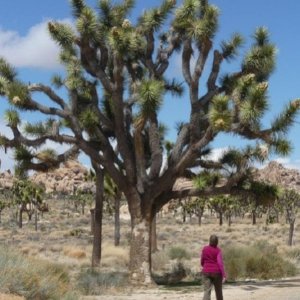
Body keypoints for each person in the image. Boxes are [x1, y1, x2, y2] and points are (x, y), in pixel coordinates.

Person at [200, 234, 226, 300]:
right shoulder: (218, 250)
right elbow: (220, 263)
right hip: (217, 273)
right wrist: (224, 275)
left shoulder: (205, 249)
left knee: (207, 291)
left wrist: (205, 266)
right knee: (218, 291)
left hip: (206, 272)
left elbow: (202, 260)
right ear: (217, 242)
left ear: (209, 241)